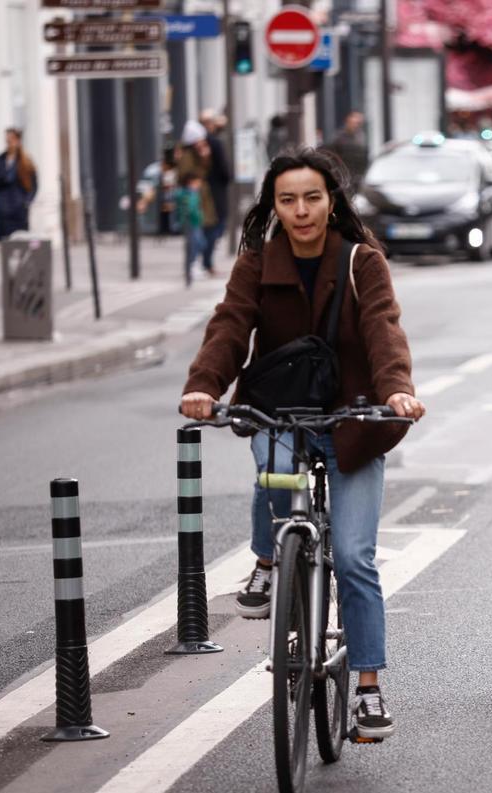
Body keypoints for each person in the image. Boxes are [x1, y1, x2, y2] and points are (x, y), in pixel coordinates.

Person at [179, 147, 425, 739]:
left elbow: (383, 329)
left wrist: (396, 392)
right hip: (280, 407)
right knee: (272, 467)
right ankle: (269, 560)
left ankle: (367, 688)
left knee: (355, 558)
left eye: (312, 197)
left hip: (353, 416)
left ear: (332, 201)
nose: (301, 210)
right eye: (287, 199)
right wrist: (203, 387)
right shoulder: (257, 263)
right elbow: (231, 325)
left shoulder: (362, 260)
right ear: (275, 205)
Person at [177, 121, 219, 277]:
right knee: (196, 235)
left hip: (199, 196)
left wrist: (205, 157)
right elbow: (187, 175)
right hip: (193, 197)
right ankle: (192, 265)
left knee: (200, 234)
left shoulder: (196, 153)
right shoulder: (187, 155)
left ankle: (194, 264)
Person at [199, 110, 232, 275]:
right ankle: (207, 261)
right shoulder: (214, 143)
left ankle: (205, 260)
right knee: (216, 226)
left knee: (208, 227)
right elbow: (223, 169)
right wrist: (227, 178)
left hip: (203, 189)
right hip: (215, 189)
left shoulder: (197, 143)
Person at [0, 128, 37, 241]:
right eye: (7, 140)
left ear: (18, 141)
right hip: (2, 212)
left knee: (20, 242)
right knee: (4, 243)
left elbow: (34, 185)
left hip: (19, 211)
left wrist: (26, 202)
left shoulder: (26, 162)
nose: (9, 142)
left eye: (11, 139)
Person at [175, 174, 206, 286]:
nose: (199, 185)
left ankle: (193, 265)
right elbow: (190, 208)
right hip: (191, 222)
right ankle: (191, 266)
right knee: (195, 244)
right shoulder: (188, 193)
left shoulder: (191, 193)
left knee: (198, 243)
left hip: (194, 222)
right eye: (197, 182)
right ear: (191, 182)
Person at [327, 111, 370, 188]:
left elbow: (364, 157)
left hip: (357, 176)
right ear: (348, 121)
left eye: (359, 124)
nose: (357, 126)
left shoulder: (361, 137)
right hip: (344, 176)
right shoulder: (339, 138)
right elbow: (334, 157)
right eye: (355, 123)